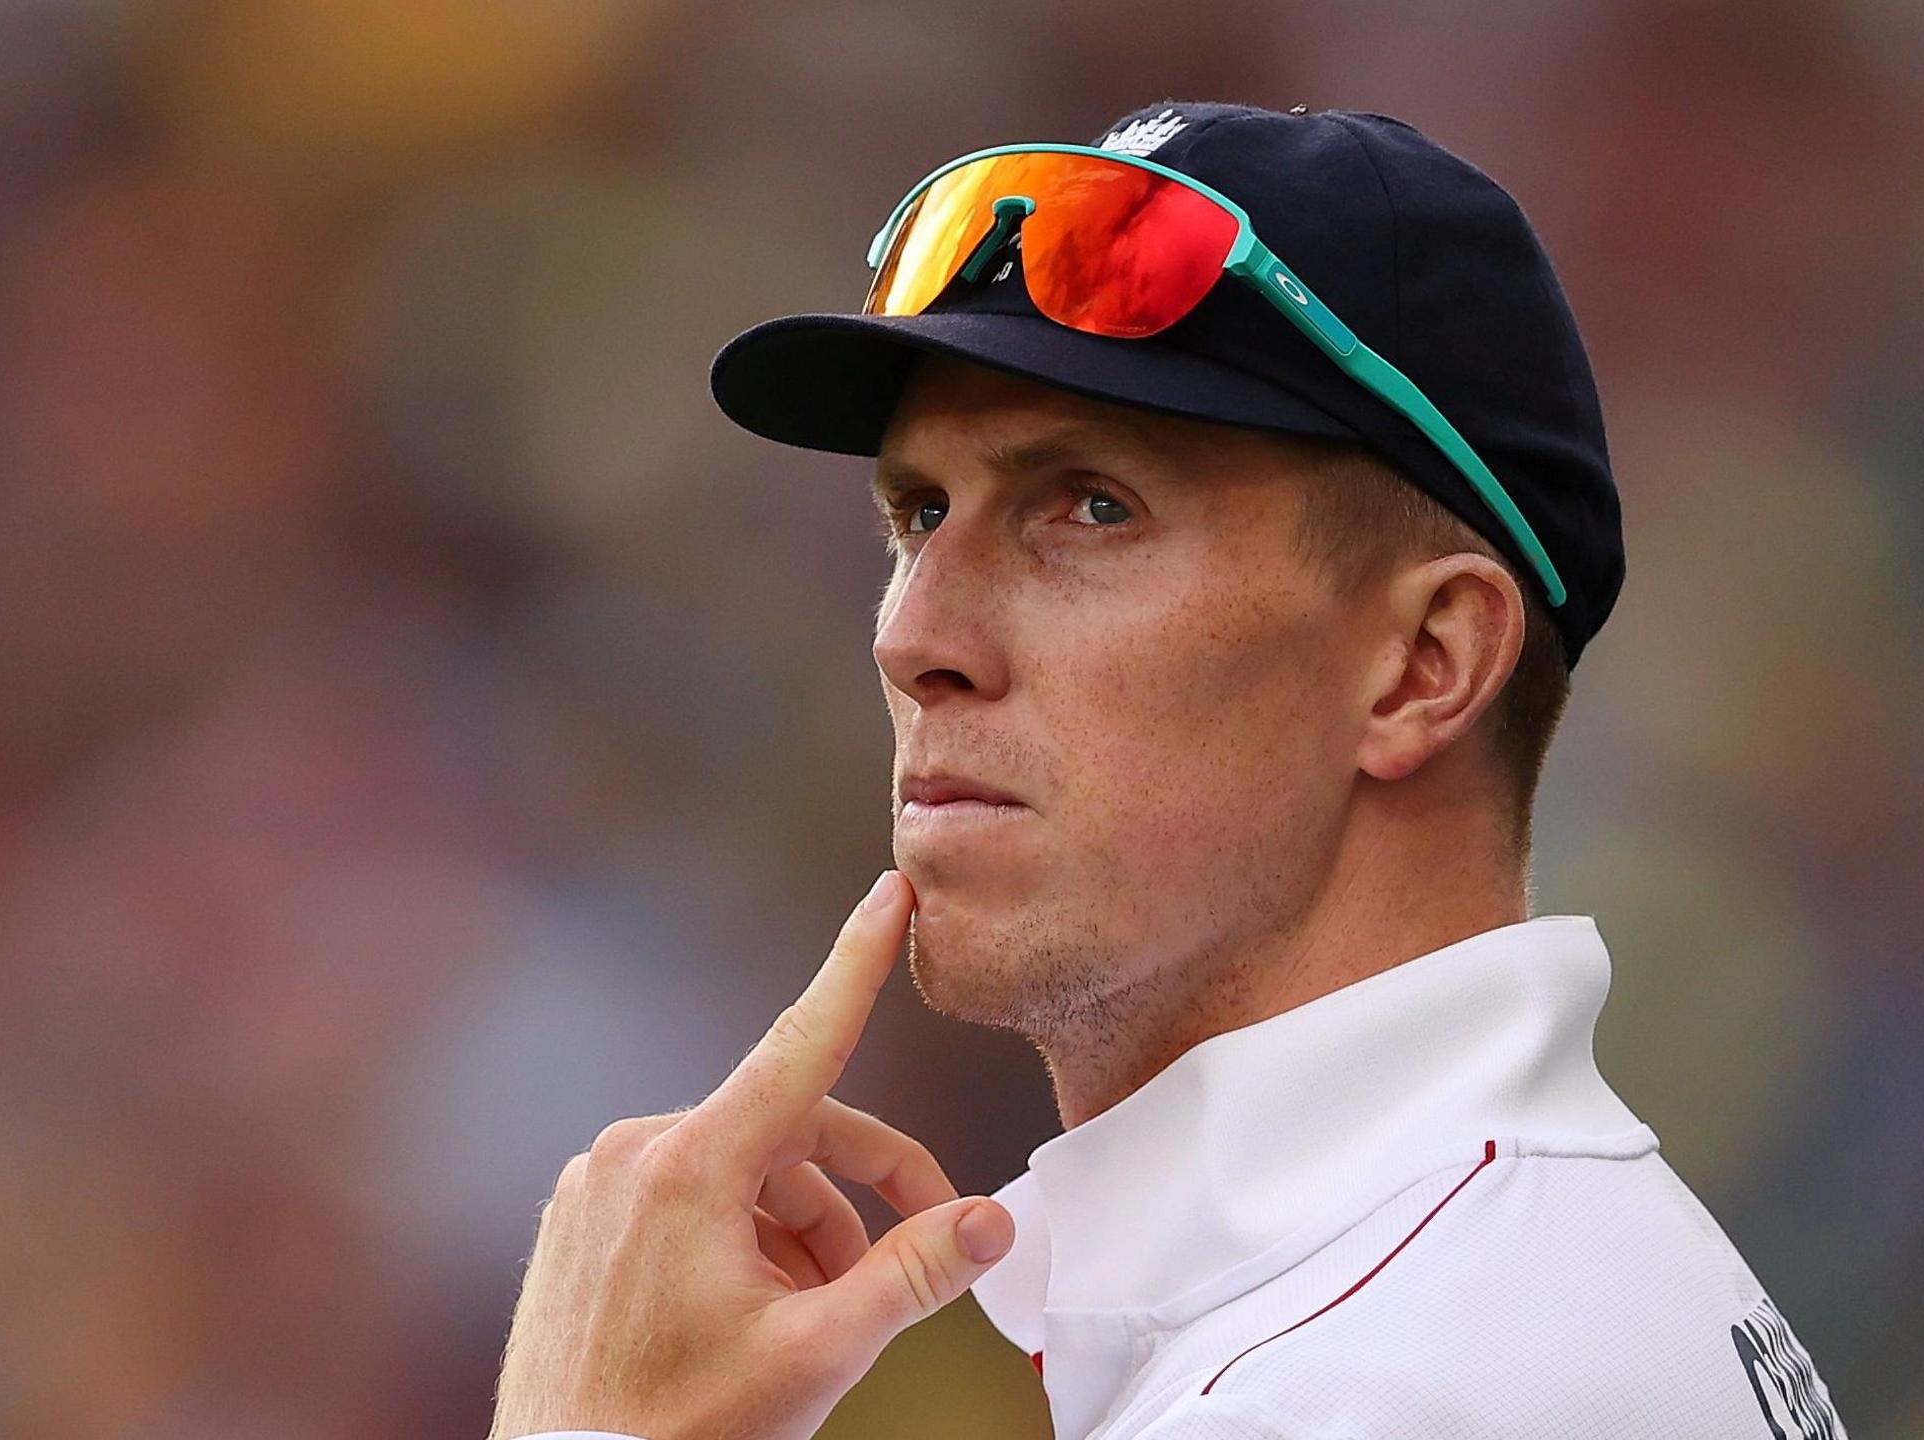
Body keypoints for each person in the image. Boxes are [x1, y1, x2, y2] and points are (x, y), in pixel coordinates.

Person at [486, 100, 1848, 1440]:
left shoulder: (1355, 1391)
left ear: (1426, 664)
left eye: (1089, 506)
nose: (914, 636)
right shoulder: (1486, 1272)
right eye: (919, 515)